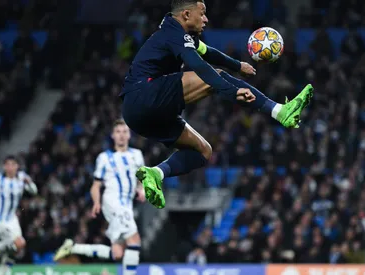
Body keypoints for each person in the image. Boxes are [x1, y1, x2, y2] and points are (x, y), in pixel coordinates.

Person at [121, 0, 314, 209]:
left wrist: (237, 65)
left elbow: (207, 52)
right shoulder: (173, 33)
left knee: (203, 151)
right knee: (213, 77)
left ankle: (155, 173)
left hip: (138, 115)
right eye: (202, 13)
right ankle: (279, 111)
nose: (206, 19)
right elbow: (198, 64)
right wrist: (231, 91)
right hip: (143, 94)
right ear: (186, 14)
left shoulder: (181, 34)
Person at [54, 119, 146, 275]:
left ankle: (73, 247)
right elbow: (96, 185)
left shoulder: (137, 155)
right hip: (113, 201)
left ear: (129, 135)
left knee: (118, 252)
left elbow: (141, 179)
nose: (121, 135)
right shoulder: (104, 158)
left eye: (124, 132)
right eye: (118, 132)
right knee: (134, 240)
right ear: (112, 135)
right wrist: (96, 202)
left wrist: (142, 190)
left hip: (126, 204)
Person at [0, 155, 38, 265]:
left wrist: (29, 183)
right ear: (4, 166)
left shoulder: (22, 177)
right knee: (17, 242)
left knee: (20, 244)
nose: (10, 167)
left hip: (12, 219)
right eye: (7, 165)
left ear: (17, 166)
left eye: (13, 164)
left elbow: (34, 191)